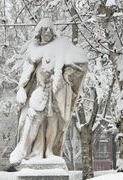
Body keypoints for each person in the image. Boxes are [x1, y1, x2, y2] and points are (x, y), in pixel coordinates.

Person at [9, 18, 87, 164]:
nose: (47, 33)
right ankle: (33, 152)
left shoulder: (61, 45)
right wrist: (22, 90)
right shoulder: (33, 49)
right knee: (34, 122)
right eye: (44, 30)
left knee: (53, 122)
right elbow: (27, 73)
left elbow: (79, 59)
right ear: (39, 33)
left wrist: (69, 72)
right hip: (40, 91)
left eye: (50, 30)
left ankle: (49, 151)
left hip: (56, 92)